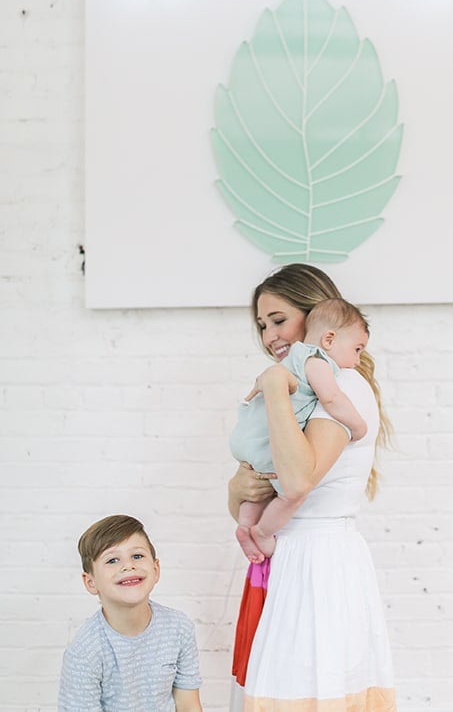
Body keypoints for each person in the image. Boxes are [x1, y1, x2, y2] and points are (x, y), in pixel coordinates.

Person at [228, 263, 396, 712]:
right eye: (262, 326)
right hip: (289, 560)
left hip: (318, 566)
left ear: (318, 318)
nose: (269, 337)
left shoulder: (340, 386)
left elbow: (298, 481)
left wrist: (274, 387)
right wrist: (237, 485)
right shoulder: (306, 389)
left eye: (279, 320)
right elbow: (254, 488)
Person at [231, 297, 369, 563]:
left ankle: (247, 526)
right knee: (287, 495)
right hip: (308, 548)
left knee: (264, 493)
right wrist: (358, 426)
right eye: (357, 350)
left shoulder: (289, 365)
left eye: (279, 320)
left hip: (246, 439)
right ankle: (259, 531)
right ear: (329, 339)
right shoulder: (318, 363)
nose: (270, 336)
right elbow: (295, 488)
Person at [58, 514, 203, 712]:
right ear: (91, 582)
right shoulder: (84, 652)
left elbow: (188, 704)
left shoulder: (179, 628)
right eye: (112, 560)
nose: (128, 566)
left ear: (156, 568)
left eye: (137, 556)